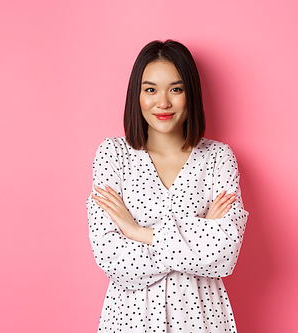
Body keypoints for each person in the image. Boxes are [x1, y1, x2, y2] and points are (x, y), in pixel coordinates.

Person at [86, 40, 248, 333]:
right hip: (130, 319)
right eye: (150, 90)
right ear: (137, 96)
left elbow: (225, 255)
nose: (163, 103)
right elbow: (111, 256)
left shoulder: (218, 158)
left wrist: (138, 233)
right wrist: (197, 240)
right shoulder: (113, 155)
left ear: (191, 94)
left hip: (202, 319)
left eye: (176, 89)